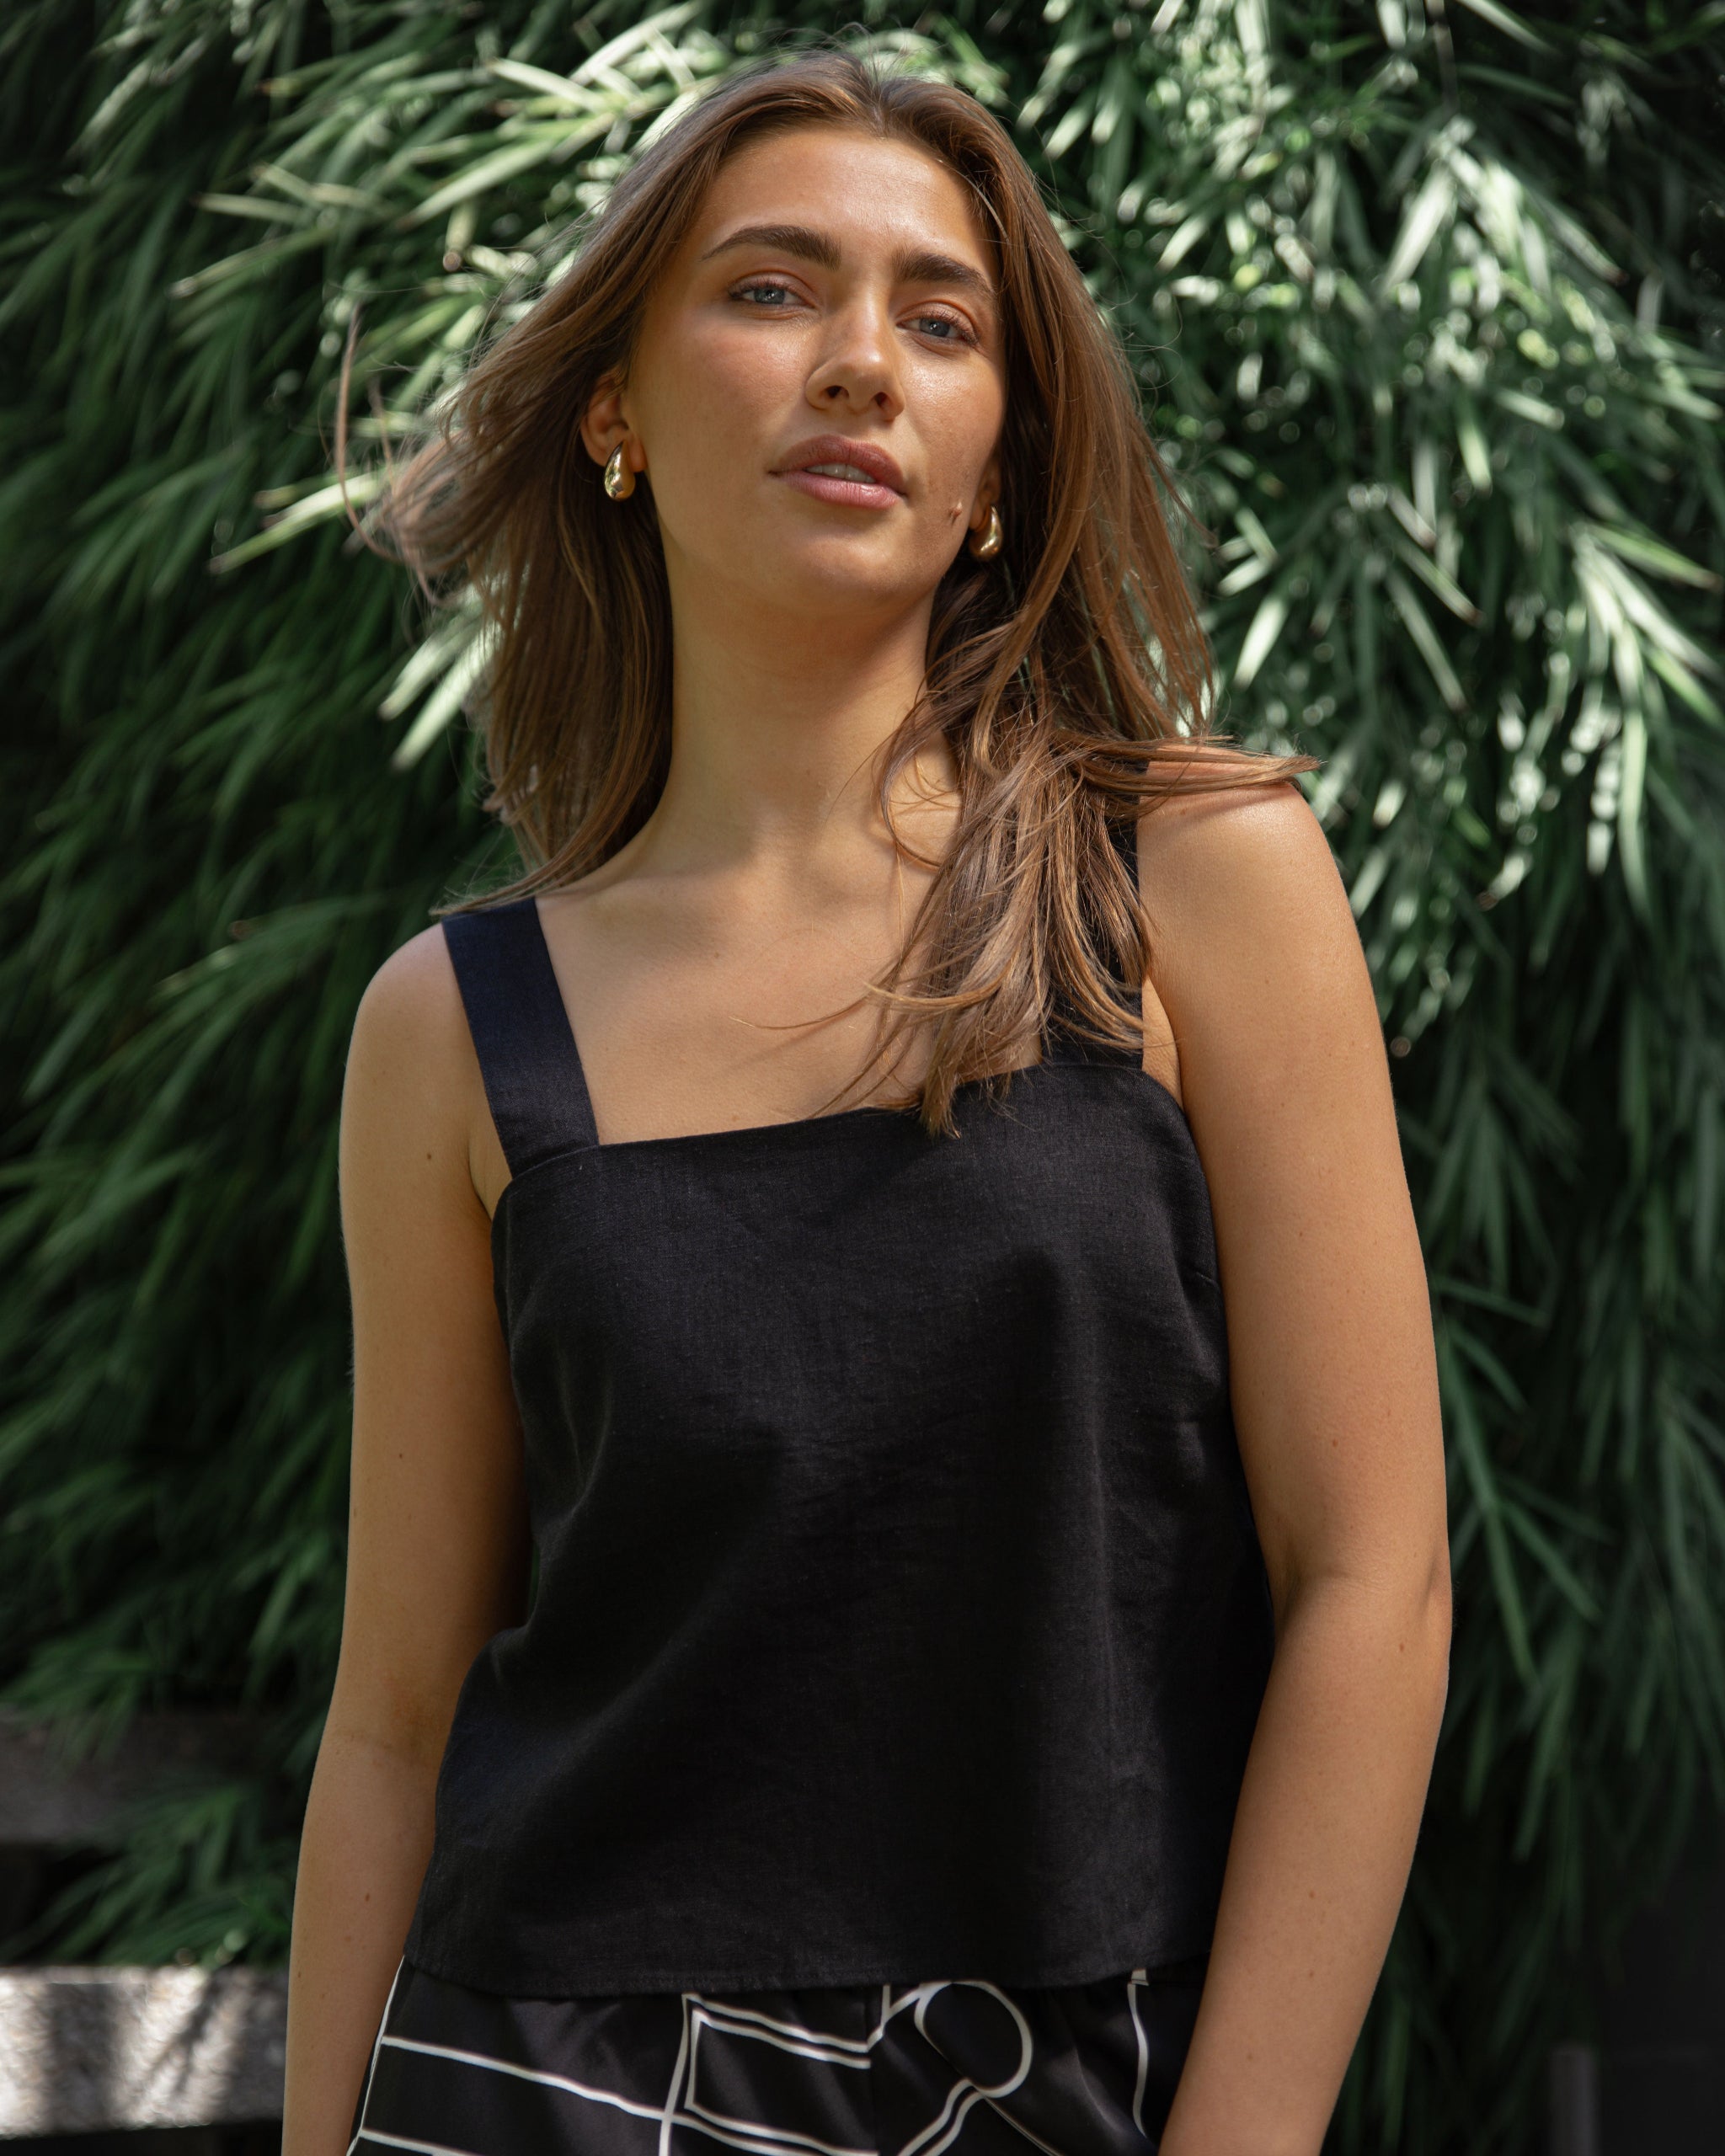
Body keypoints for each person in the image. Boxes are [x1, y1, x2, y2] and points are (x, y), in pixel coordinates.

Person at [281, 50, 1450, 2156]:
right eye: (769, 290)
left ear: (999, 456)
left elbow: (1374, 1576)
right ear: (616, 415)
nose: (859, 366)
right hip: (522, 2083)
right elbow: (394, 1717)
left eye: (939, 320)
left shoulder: (1192, 886)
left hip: (1055, 2080)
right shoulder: (452, 1027)